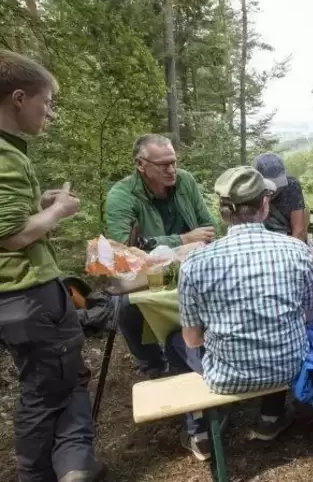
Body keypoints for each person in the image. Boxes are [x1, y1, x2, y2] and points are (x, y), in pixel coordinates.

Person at [167, 166, 313, 460]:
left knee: (173, 341)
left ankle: (199, 429)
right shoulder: (297, 250)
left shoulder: (196, 262)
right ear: (265, 206)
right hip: (290, 365)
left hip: (227, 377)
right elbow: (307, 315)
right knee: (276, 327)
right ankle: (271, 417)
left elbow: (192, 340)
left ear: (223, 212)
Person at [0, 50, 104, 481]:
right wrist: (59, 211)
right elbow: (10, 235)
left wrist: (39, 204)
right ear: (19, 98)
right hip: (29, 295)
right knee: (47, 393)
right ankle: (42, 472)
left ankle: (71, 466)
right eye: (47, 102)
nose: (51, 113)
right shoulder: (4, 156)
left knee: (54, 384)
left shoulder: (11, 150)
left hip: (25, 299)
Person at [106, 133, 217, 378]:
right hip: (148, 273)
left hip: (192, 263)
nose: (171, 169)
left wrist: (157, 244)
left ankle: (209, 349)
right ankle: (153, 365)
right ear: (140, 164)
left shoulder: (185, 181)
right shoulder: (122, 195)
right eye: (163, 164)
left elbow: (208, 229)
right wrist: (182, 240)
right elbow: (123, 248)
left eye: (173, 162)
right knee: (125, 305)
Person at [252, 152, 306, 241]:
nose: (274, 189)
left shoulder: (292, 185)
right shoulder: (250, 188)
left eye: (278, 185)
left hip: (288, 240)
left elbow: (298, 229)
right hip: (259, 239)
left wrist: (293, 250)